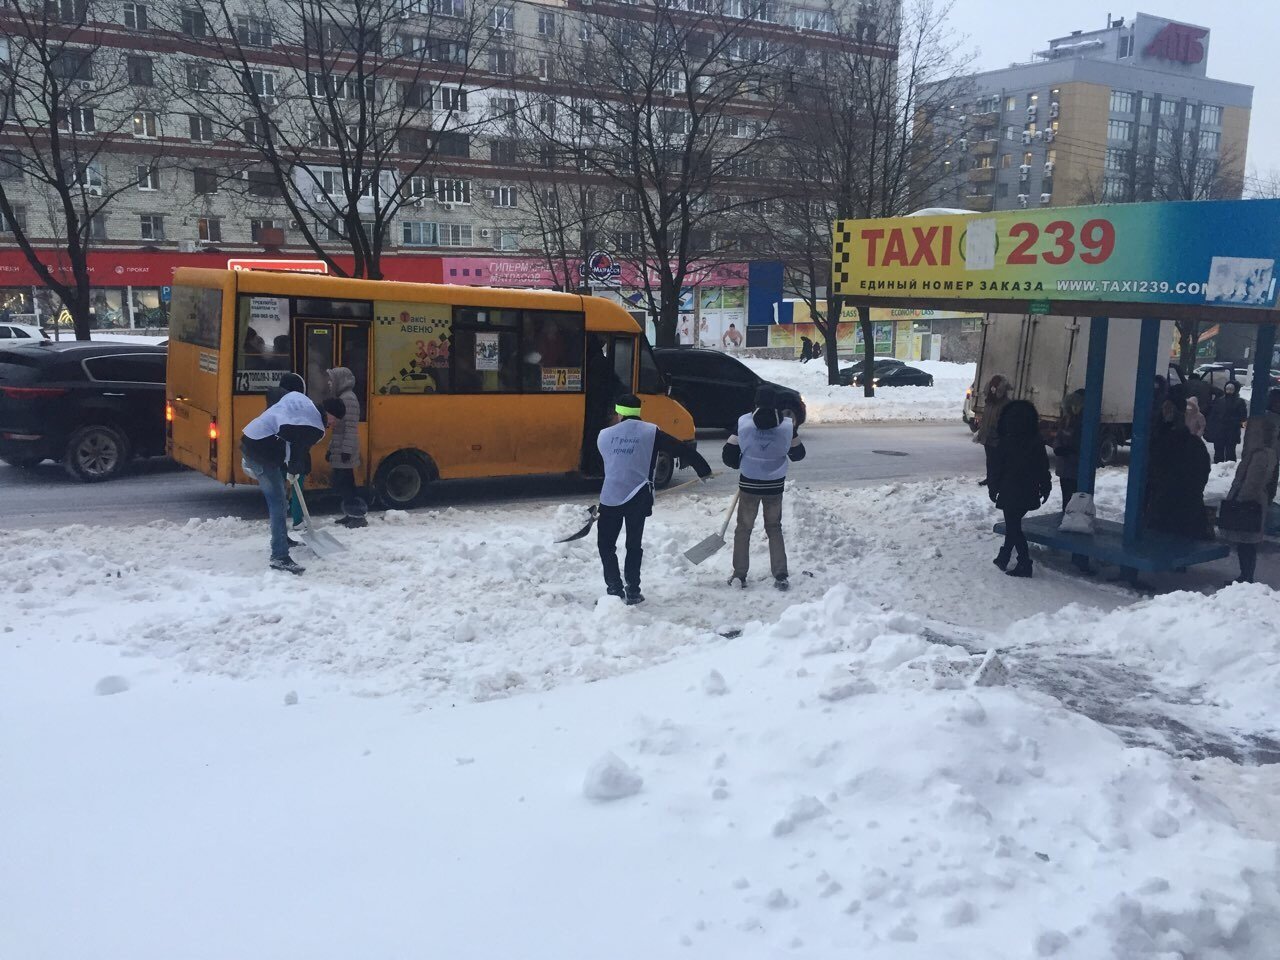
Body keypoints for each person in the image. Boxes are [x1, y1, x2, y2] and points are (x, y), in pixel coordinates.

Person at [596, 393, 711, 604]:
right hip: (639, 496)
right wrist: (703, 470)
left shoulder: (604, 435)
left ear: (619, 412)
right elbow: (681, 448)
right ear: (639, 412)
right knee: (633, 544)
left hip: (611, 496)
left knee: (606, 545)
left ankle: (614, 589)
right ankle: (633, 590)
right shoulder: (651, 432)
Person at [241, 376, 336, 574]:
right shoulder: (314, 425)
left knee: (281, 501)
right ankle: (279, 556)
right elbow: (299, 447)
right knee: (278, 503)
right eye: (335, 420)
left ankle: (282, 539)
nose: (334, 425)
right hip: (260, 452)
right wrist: (294, 468)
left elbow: (293, 442)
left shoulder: (305, 407)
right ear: (327, 414)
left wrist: (294, 467)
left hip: (259, 443)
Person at [722, 386, 806, 591]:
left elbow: (728, 454)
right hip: (775, 486)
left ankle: (739, 574)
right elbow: (798, 454)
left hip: (749, 483)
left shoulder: (743, 423)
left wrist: (739, 462)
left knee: (743, 529)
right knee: (774, 528)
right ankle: (780, 573)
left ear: (755, 402)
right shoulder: (788, 426)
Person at [987, 399, 1052, 578]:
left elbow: (995, 468)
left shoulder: (1005, 441)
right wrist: (1045, 487)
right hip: (1029, 490)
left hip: (1009, 490)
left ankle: (1024, 562)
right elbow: (1042, 466)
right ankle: (1004, 556)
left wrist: (993, 488)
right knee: (1013, 524)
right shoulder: (1035, 441)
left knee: (1013, 527)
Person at [1218, 417, 1279, 584]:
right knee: (1248, 542)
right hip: (1258, 500)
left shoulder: (1259, 455)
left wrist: (1240, 499)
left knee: (1246, 542)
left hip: (1249, 502)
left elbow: (1252, 481)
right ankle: (1246, 576)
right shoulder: (1269, 453)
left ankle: (1245, 577)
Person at [1146, 397, 1212, 540]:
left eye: (1170, 409)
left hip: (1165, 510)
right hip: (1185, 512)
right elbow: (1202, 474)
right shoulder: (1193, 444)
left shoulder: (1159, 441)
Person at [325, 366, 368, 529]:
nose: (329, 384)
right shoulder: (343, 397)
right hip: (340, 446)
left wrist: (346, 451)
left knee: (346, 484)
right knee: (344, 483)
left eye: (332, 380)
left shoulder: (347, 398)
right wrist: (331, 449)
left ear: (340, 381)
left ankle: (357, 516)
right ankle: (351, 513)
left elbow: (350, 427)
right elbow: (337, 429)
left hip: (345, 448)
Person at [974, 374, 1012, 485]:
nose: (993, 389)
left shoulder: (1006, 404)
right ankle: (990, 478)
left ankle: (997, 480)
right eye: (992, 386)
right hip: (988, 437)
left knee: (998, 460)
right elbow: (986, 419)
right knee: (990, 460)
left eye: (995, 387)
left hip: (998, 438)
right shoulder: (989, 402)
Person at [1053, 389, 1085, 512]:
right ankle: (1066, 518)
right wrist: (1058, 448)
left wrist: (1070, 450)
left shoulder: (1083, 422)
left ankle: (1070, 520)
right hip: (1065, 468)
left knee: (1074, 499)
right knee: (1067, 499)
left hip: (1074, 469)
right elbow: (1058, 437)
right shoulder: (1067, 420)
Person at [1205, 381, 1247, 462]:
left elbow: (1212, 416)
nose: (1229, 390)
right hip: (1231, 430)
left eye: (1231, 389)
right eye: (1228, 388)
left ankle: (1218, 469)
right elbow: (1243, 417)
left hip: (1221, 430)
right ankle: (1228, 469)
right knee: (1229, 452)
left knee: (1220, 452)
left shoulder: (1219, 401)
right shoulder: (1239, 402)